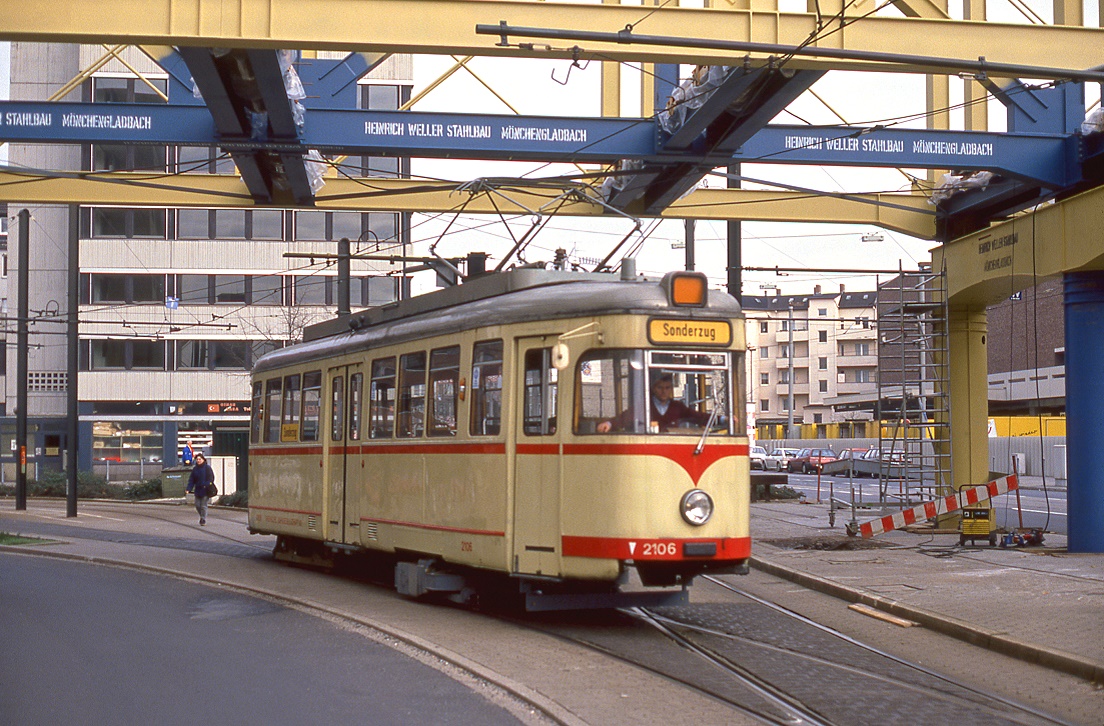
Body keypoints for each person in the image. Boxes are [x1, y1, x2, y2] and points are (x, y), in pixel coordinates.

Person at [597, 373, 712, 433]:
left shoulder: (677, 407)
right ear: (653, 389)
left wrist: (723, 420)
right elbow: (624, 417)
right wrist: (609, 424)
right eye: (660, 388)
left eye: (667, 388)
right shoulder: (644, 406)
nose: (663, 391)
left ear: (671, 389)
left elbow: (697, 417)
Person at [186, 453, 215, 526]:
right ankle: (202, 516)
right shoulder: (195, 469)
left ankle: (203, 519)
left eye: (200, 459)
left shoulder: (207, 468)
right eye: (197, 459)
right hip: (198, 490)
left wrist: (207, 484)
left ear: (203, 460)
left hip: (205, 490)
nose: (198, 461)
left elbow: (211, 478)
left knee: (203, 505)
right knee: (197, 505)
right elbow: (191, 480)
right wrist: (188, 488)